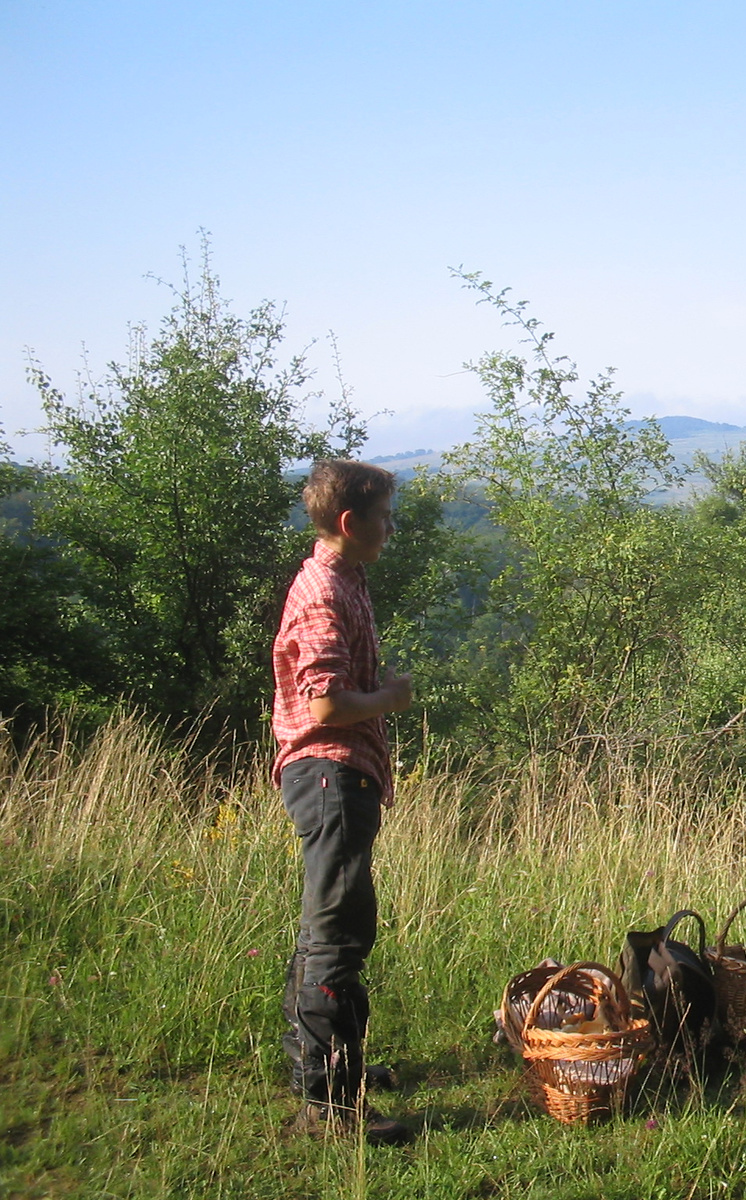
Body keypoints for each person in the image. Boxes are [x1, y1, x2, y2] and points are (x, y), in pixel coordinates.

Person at [272, 459, 413, 1144]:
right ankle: (330, 1107)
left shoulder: (343, 578)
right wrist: (388, 699)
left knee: (334, 924)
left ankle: (331, 1069)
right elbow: (324, 702)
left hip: (337, 776)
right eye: (385, 515)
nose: (392, 526)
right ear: (352, 523)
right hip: (331, 775)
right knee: (338, 932)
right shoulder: (325, 591)